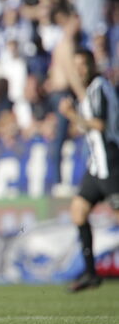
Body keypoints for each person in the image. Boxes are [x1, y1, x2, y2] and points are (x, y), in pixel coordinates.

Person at [57, 46, 119, 292]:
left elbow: (99, 124)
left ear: (93, 65)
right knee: (78, 211)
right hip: (96, 166)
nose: (80, 70)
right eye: (77, 66)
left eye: (84, 65)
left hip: (112, 164)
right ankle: (91, 273)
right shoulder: (85, 93)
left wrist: (72, 116)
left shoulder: (99, 88)